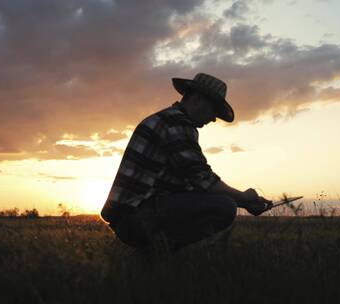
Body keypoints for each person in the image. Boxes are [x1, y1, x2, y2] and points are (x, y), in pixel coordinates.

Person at [100, 73, 272, 253]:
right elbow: (202, 179)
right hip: (135, 217)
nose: (214, 118)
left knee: (224, 202)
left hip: (130, 217)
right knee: (224, 207)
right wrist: (244, 198)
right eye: (213, 110)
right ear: (197, 100)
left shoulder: (169, 119)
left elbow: (192, 186)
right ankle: (157, 253)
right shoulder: (176, 123)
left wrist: (244, 203)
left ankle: (156, 253)